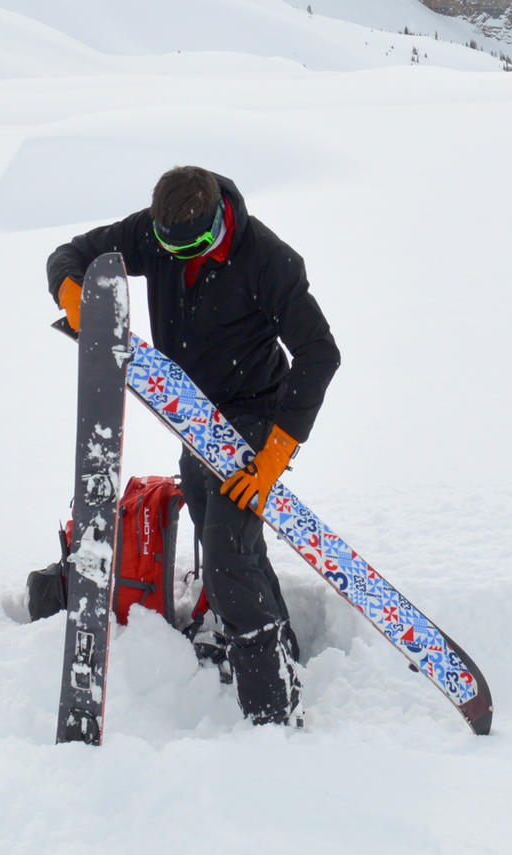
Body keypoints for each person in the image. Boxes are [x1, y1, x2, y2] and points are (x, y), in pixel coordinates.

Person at [46, 166, 340, 726]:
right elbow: (72, 253)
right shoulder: (156, 234)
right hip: (193, 413)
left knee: (226, 553)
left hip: (255, 417)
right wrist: (73, 291)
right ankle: (280, 649)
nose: (177, 258)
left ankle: (271, 706)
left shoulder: (269, 260)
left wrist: (276, 453)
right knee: (226, 539)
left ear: (216, 222)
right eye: (168, 249)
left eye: (192, 248)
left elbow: (320, 353)